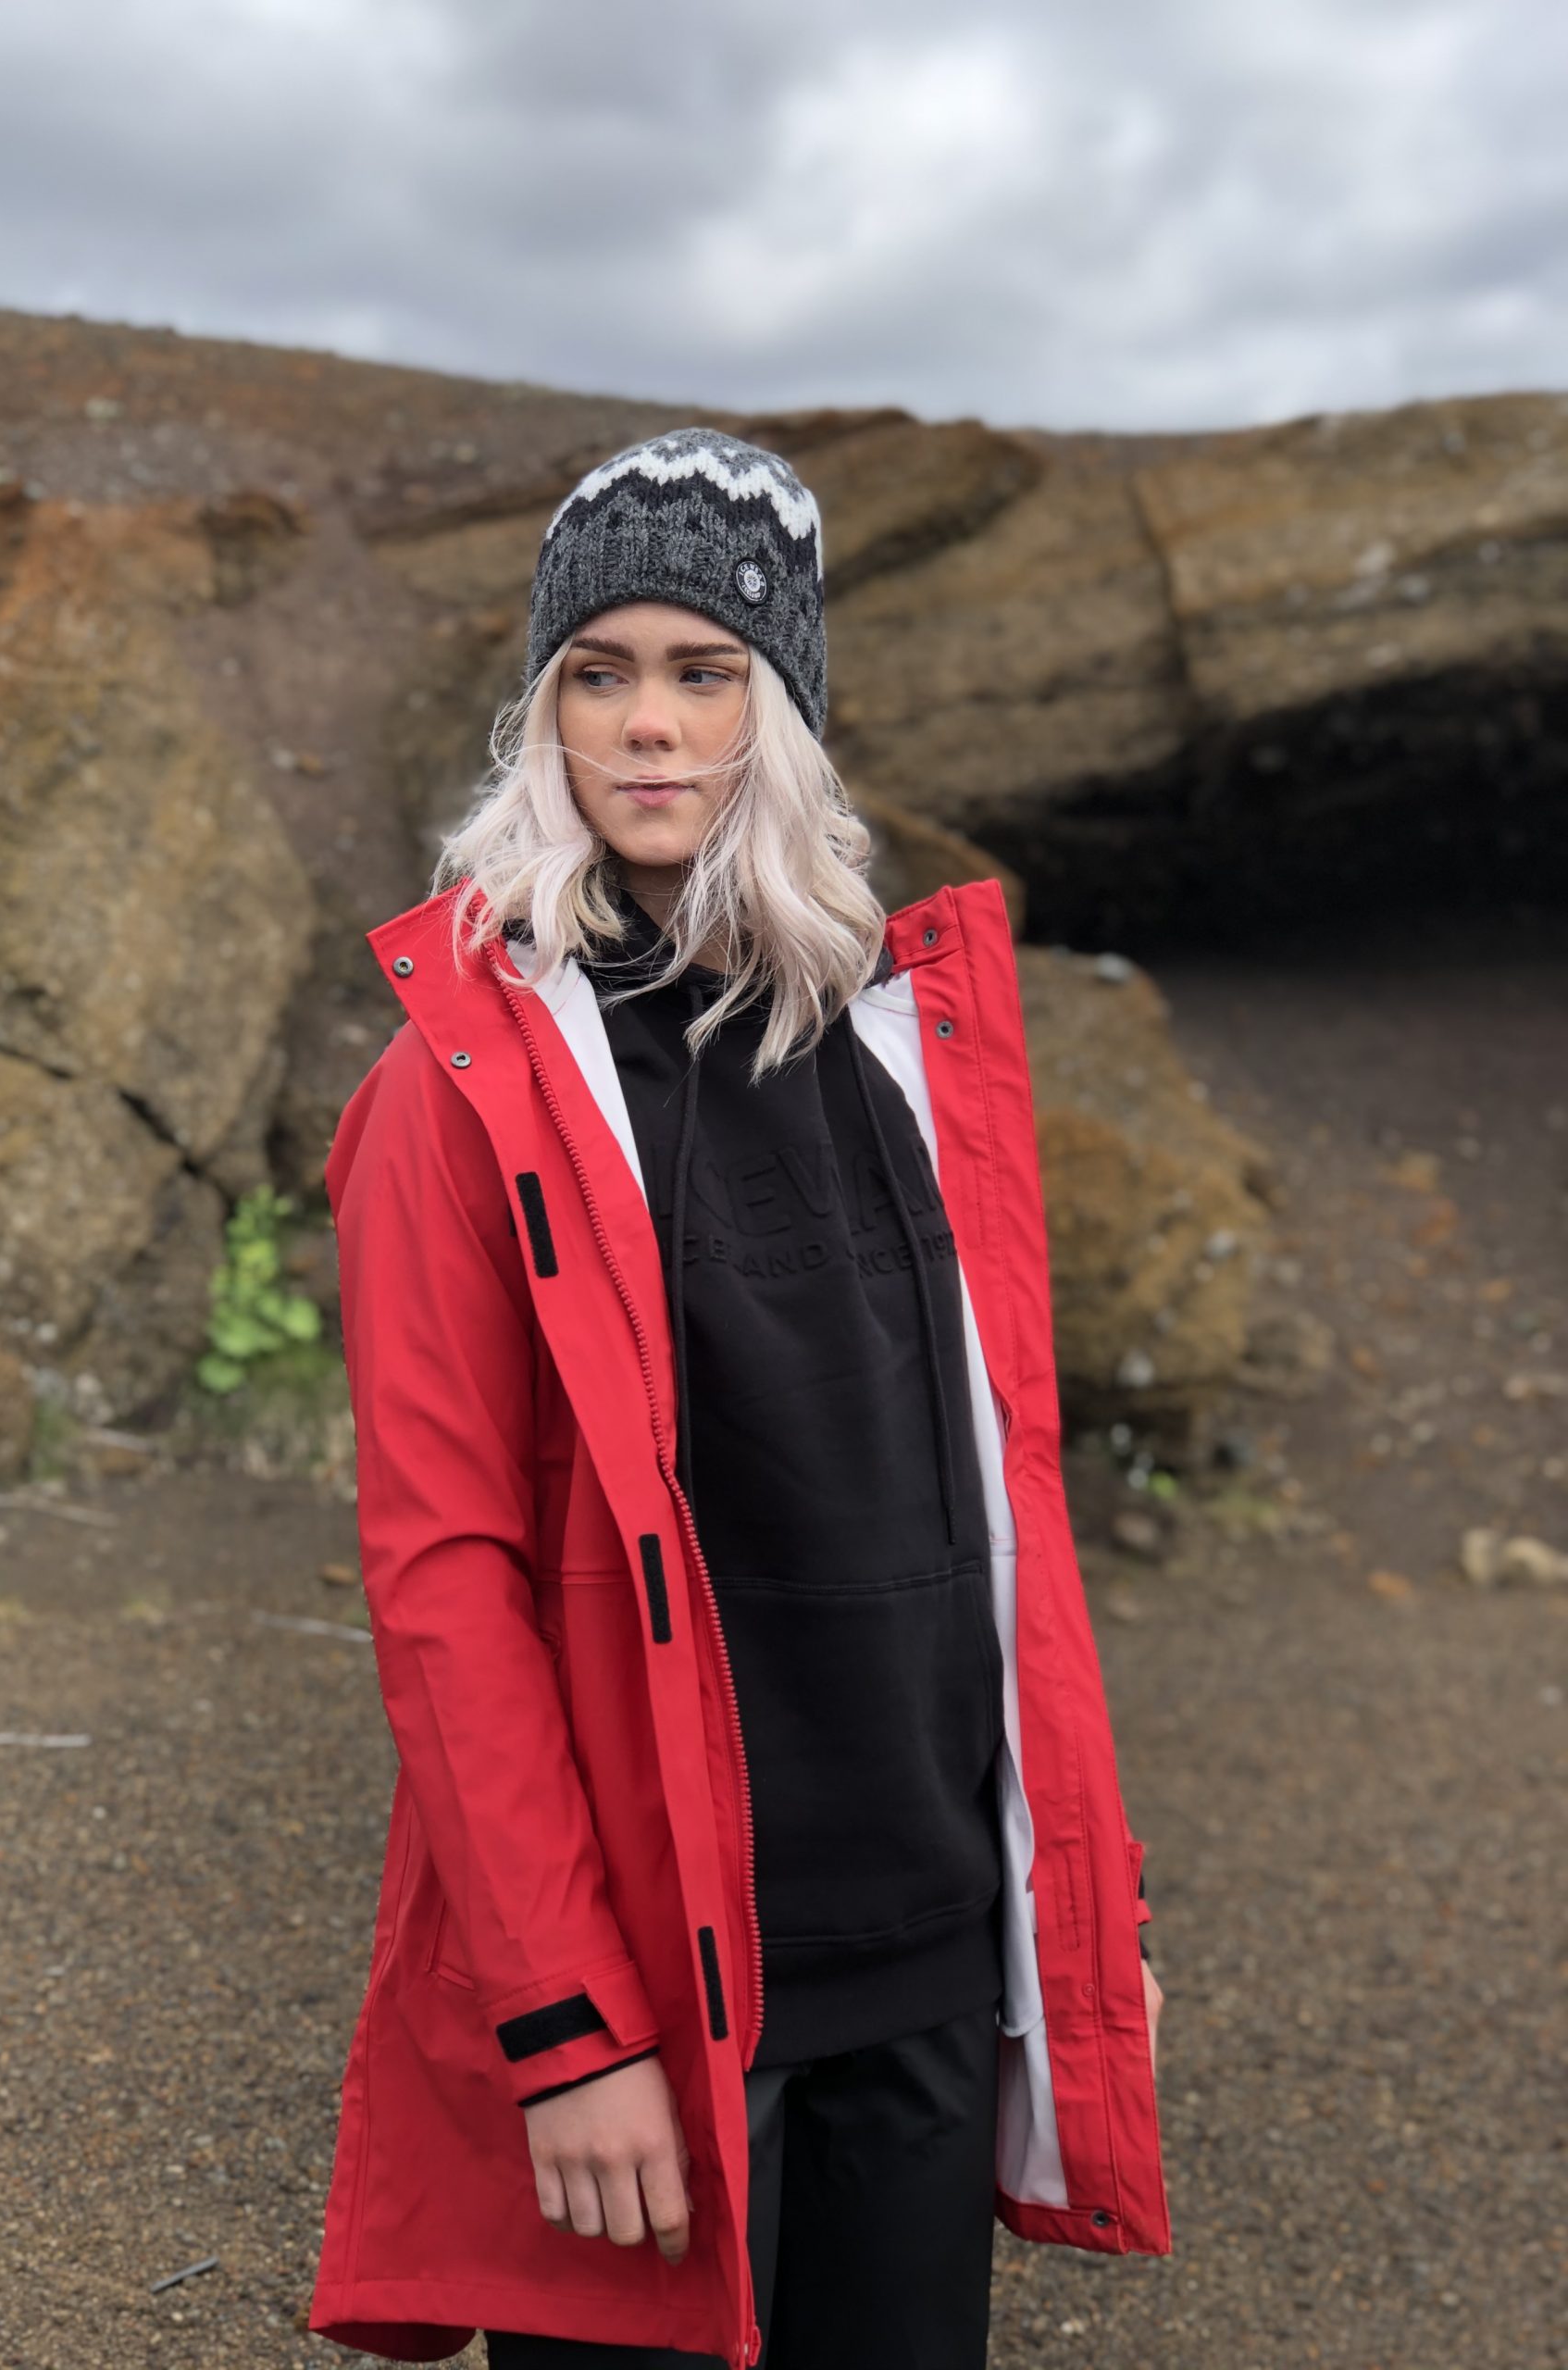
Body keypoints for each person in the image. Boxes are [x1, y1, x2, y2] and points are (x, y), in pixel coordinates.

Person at [308, 428, 1168, 2370]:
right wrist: (564, 2022)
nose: (648, 725)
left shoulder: (905, 1049)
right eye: (595, 673)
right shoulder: (459, 1087)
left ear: (785, 705)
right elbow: (443, 1576)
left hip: (934, 1948)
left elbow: (999, 1523)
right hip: (667, 1981)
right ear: (542, 713)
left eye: (705, 671)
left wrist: (1084, 1909)